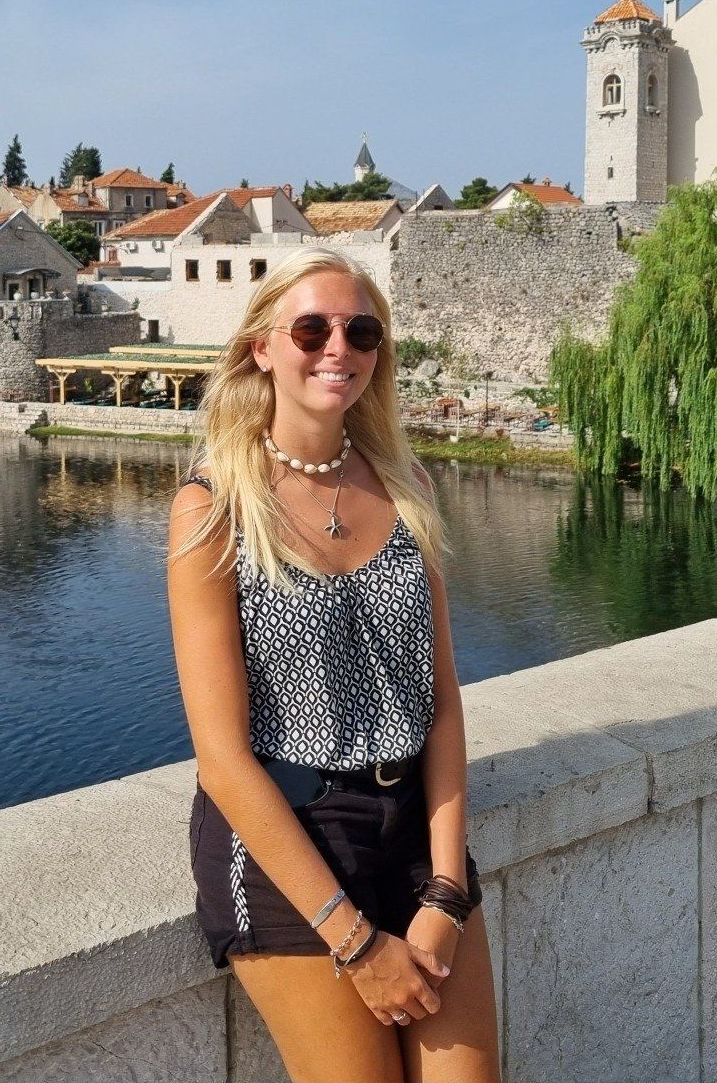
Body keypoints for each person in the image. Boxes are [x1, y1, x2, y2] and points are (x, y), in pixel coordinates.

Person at [167, 247, 502, 1082]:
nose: (338, 350)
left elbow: (441, 698)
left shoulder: (406, 484)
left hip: (413, 824)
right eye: (312, 330)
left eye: (362, 332)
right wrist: (356, 943)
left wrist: (447, 889)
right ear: (262, 348)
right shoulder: (213, 508)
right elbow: (222, 759)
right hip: (289, 837)